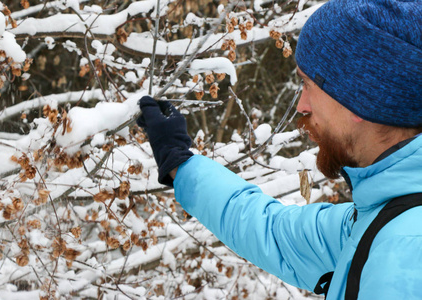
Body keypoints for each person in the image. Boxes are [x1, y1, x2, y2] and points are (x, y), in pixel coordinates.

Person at [137, 0, 422, 298]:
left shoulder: (406, 255)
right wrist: (180, 162)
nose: (302, 106)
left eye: (308, 84)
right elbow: (271, 231)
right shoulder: (380, 219)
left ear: (363, 97)